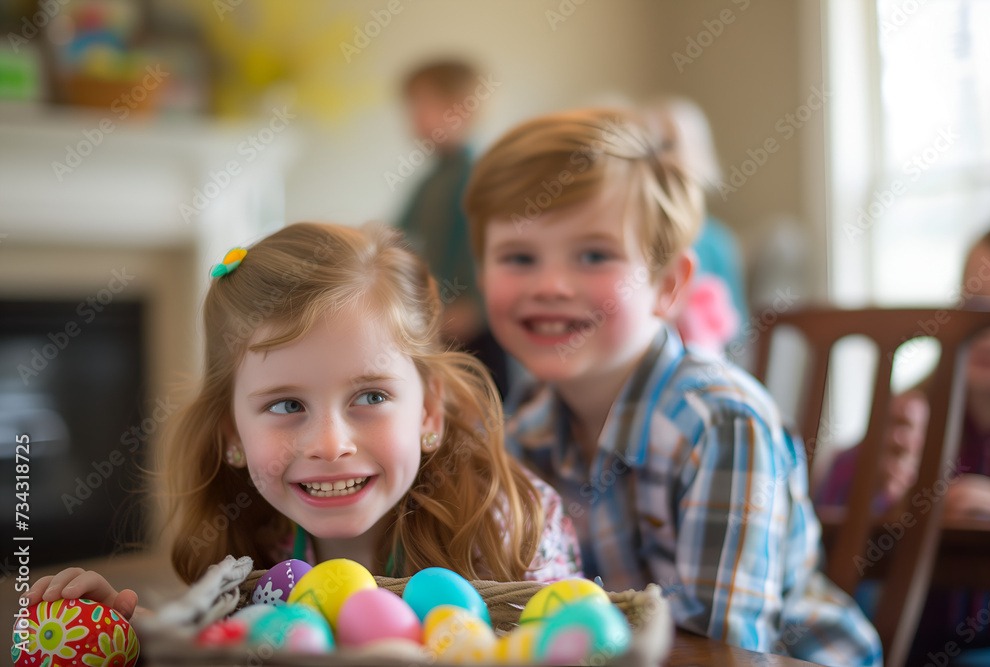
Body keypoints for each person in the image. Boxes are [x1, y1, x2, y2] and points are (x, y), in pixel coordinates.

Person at [463, 108, 883, 665]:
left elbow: (723, 649)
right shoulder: (523, 423)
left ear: (667, 285)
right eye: (518, 257)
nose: (551, 285)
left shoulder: (720, 422)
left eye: (594, 255)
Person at [24, 222, 581, 620]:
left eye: (370, 396)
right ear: (232, 434)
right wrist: (125, 630)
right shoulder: (256, 540)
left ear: (429, 411)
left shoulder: (505, 533)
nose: (330, 443)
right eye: (287, 406)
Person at [815, 223, 990, 665]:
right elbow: (825, 513)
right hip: (908, 641)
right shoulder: (915, 412)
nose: (986, 334)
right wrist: (876, 489)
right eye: (973, 306)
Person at [396, 58, 510, 397]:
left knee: (484, 398)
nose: (413, 118)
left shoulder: (477, 174)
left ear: (460, 109)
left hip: (474, 323)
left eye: (422, 105)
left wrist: (475, 304)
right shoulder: (433, 178)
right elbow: (401, 235)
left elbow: (492, 244)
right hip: (442, 317)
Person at [642, 96, 748, 354]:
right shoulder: (635, 235)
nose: (658, 158)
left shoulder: (716, 242)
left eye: (668, 145)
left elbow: (735, 329)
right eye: (648, 145)